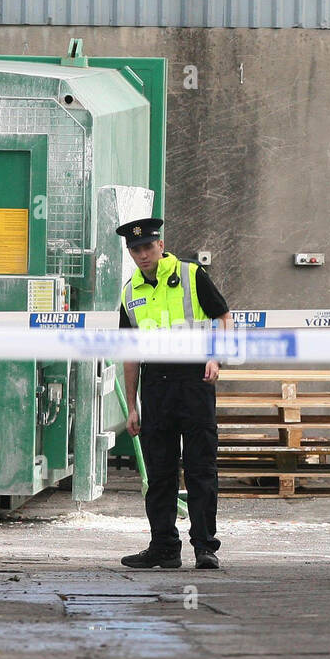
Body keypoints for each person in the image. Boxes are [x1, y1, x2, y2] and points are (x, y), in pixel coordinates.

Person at [116, 217, 230, 569]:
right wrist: (132, 404)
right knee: (160, 473)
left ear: (160, 245)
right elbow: (130, 351)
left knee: (200, 469)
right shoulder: (129, 291)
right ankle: (164, 547)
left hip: (194, 380)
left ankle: (204, 548)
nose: (142, 255)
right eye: (135, 250)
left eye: (148, 247)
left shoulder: (191, 275)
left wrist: (216, 357)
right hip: (155, 386)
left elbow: (225, 317)